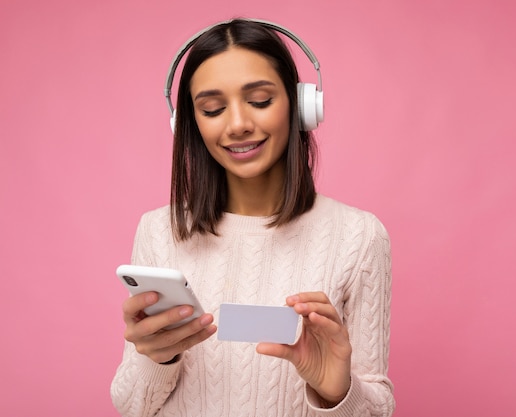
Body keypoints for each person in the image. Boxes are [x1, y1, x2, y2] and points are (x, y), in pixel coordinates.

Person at [110, 18, 395, 417]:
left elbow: (378, 408)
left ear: (302, 106)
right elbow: (132, 406)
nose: (239, 124)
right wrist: (158, 360)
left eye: (260, 100)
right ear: (190, 124)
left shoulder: (359, 236)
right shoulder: (160, 231)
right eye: (212, 109)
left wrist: (337, 392)